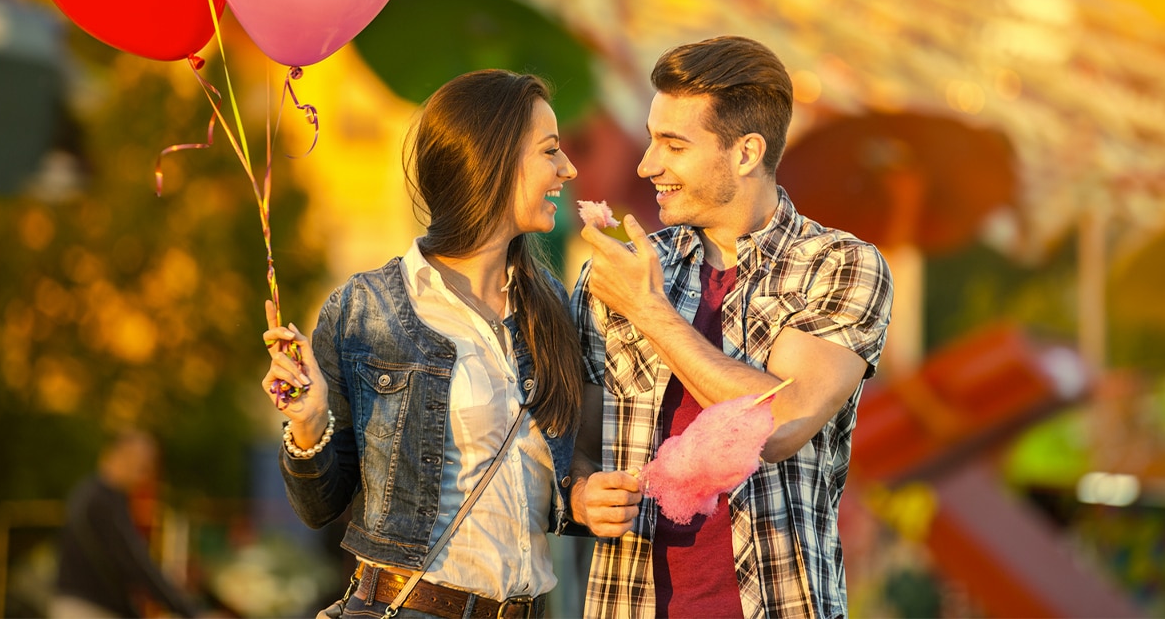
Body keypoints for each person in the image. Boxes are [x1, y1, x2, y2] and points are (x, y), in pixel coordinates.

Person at [568, 36, 893, 619]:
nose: (647, 165)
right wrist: (581, 493)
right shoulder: (625, 270)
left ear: (745, 153)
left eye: (673, 144)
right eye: (650, 138)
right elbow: (570, 440)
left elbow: (780, 423)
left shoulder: (841, 266)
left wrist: (649, 311)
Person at [261, 69, 584, 619]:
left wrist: (583, 496)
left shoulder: (551, 305)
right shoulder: (365, 309)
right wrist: (309, 424)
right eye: (550, 150)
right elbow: (319, 508)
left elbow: (562, 475)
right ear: (494, 160)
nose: (567, 169)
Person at [51, 429, 201, 619]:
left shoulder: (90, 494)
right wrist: (191, 612)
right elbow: (135, 561)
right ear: (123, 456)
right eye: (142, 466)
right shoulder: (103, 502)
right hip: (89, 610)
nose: (144, 476)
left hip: (77, 606)